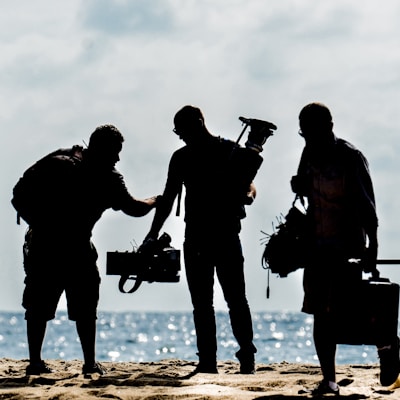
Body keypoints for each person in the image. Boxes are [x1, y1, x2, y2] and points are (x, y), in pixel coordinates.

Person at [13, 125, 158, 376]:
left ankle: (42, 361)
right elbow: (134, 208)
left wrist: (37, 225)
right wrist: (156, 200)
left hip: (48, 246)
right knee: (77, 307)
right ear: (102, 149)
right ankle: (85, 363)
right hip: (69, 248)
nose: (118, 158)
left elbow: (18, 196)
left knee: (45, 307)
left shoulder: (60, 160)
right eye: (115, 151)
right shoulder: (108, 178)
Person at [141, 105, 275, 374]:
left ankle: (243, 357)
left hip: (218, 235)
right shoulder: (188, 157)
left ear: (200, 123)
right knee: (208, 303)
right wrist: (152, 233)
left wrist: (249, 195)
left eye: (183, 131)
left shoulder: (226, 151)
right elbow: (168, 199)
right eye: (179, 133)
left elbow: (249, 185)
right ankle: (210, 361)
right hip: (204, 237)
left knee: (231, 300)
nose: (181, 137)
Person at [291, 102, 400, 395]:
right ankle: (329, 379)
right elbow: (304, 191)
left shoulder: (350, 157)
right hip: (316, 247)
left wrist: (373, 246)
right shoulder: (308, 154)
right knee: (319, 313)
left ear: (329, 126)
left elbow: (368, 205)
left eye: (311, 132)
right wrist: (298, 185)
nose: (308, 139)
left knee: (354, 310)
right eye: (304, 134)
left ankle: (388, 349)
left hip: (347, 247)